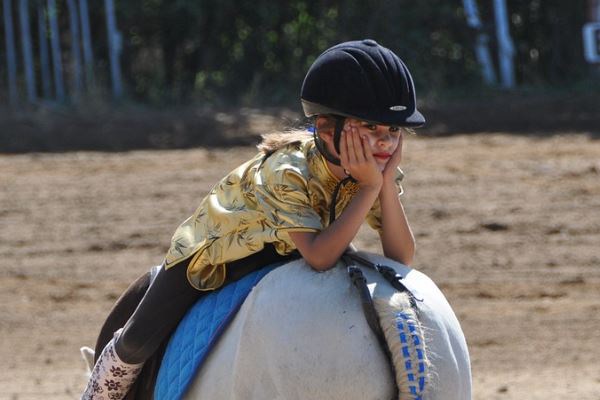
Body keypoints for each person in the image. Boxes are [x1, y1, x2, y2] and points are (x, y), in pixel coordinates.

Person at [81, 38, 425, 400]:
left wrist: (383, 184)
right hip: (214, 258)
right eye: (371, 129)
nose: (385, 142)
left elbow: (400, 257)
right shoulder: (288, 169)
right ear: (326, 128)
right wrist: (371, 187)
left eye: (394, 131)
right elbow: (319, 257)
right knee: (136, 342)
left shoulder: (372, 171)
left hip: (293, 247)